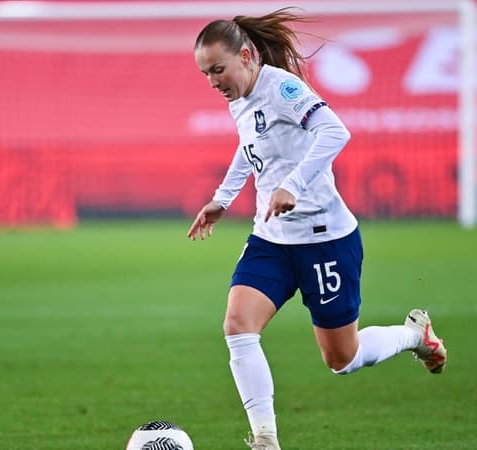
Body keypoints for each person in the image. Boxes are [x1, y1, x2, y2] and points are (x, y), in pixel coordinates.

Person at [187, 10, 447, 449]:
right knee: (237, 325)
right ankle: (265, 438)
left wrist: (293, 184)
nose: (213, 81)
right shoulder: (240, 99)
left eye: (218, 69)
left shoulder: (283, 88)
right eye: (205, 74)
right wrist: (222, 199)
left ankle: (414, 335)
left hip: (325, 238)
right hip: (271, 239)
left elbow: (335, 131)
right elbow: (248, 146)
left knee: (341, 359)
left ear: (246, 56)